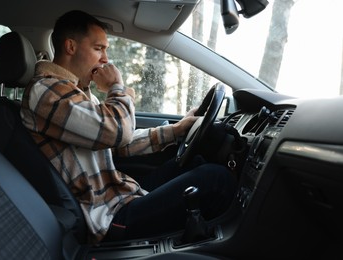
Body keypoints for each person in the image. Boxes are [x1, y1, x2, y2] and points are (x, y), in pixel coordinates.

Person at [21, 10, 236, 244]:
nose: (105, 58)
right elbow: (116, 131)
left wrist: (177, 130)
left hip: (118, 195)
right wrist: (116, 87)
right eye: (98, 48)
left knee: (193, 164)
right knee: (216, 179)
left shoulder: (77, 92)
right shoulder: (46, 91)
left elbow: (117, 145)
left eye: (106, 50)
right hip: (107, 217)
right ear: (71, 47)